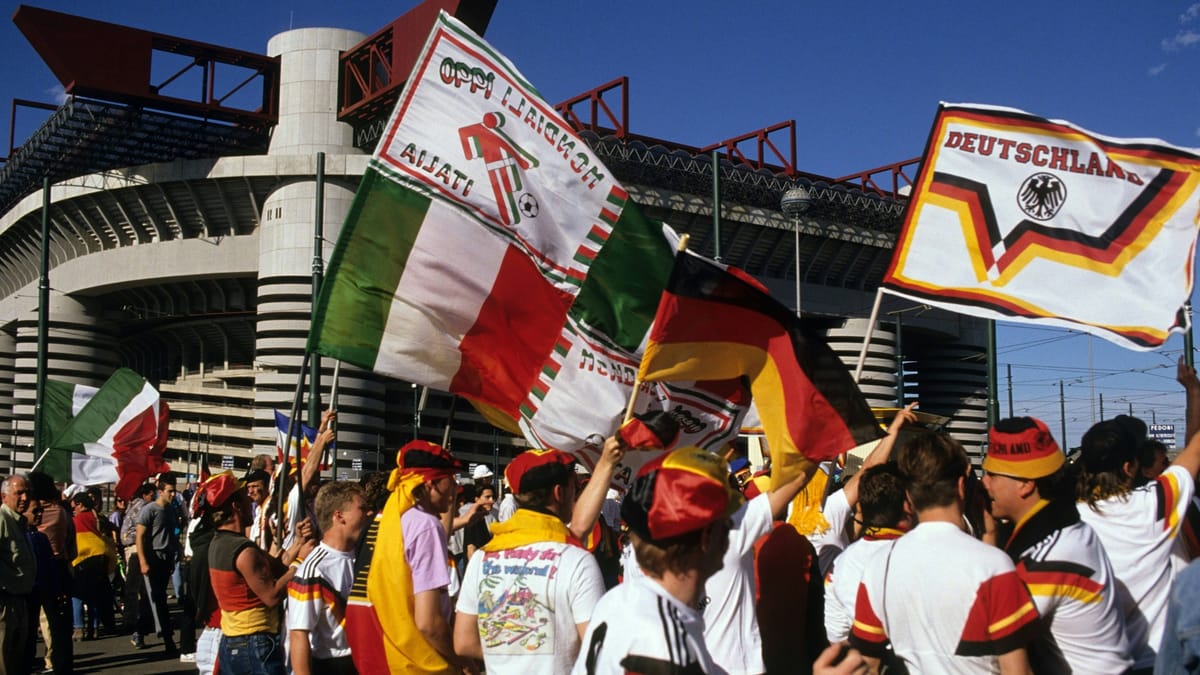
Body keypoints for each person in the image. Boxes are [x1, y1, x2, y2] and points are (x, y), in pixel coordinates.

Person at [850, 431, 1039, 674]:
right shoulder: (994, 565)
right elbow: (1017, 671)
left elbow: (868, 663)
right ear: (961, 486)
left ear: (908, 497)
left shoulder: (878, 565)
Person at [1075, 359, 1200, 670]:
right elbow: (1196, 447)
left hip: (1103, 663)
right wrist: (1194, 391)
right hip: (1159, 659)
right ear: (1130, 467)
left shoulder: (1071, 518)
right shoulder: (1156, 503)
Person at [983, 416, 1132, 673]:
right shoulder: (1065, 529)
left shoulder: (1048, 557)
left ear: (1025, 484)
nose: (984, 483)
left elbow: (986, 634)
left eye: (992, 475)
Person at [572, 446, 736, 675]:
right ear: (707, 538)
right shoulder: (665, 643)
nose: (731, 530)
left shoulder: (618, 600)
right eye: (726, 523)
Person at [454, 448, 606, 674]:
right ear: (559, 492)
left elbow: (464, 643)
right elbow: (598, 651)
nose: (576, 497)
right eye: (574, 489)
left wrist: (511, 656)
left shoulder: (482, 558)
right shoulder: (576, 560)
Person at [207, 471, 314, 675]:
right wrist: (301, 563)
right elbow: (272, 595)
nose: (251, 502)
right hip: (253, 641)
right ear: (236, 507)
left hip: (234, 640)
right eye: (245, 499)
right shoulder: (243, 550)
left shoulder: (220, 542)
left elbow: (273, 567)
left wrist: (298, 543)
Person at [288, 481, 371, 675]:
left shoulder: (365, 556)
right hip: (334, 666)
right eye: (362, 508)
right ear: (339, 516)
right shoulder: (314, 569)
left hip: (365, 660)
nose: (369, 513)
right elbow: (299, 634)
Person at [824, 463, 911, 644]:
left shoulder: (840, 565)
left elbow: (836, 638)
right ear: (908, 505)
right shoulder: (927, 555)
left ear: (860, 508)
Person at [28, 471, 73, 673]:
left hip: (32, 567)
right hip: (58, 565)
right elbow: (71, 541)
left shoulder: (27, 513)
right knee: (58, 621)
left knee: (28, 620)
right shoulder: (60, 512)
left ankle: (26, 660)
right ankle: (61, 663)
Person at [136, 472, 180, 655]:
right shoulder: (150, 510)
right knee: (158, 600)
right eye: (169, 491)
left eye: (174, 491)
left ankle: (139, 631)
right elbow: (140, 537)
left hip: (165, 559)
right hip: (152, 557)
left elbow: (171, 536)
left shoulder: (170, 510)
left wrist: (174, 556)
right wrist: (143, 561)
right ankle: (167, 639)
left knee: (153, 599)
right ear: (160, 491)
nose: (172, 495)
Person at [0, 476, 35, 675]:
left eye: (27, 492)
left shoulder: (18, 522)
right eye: (18, 493)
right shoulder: (2, 519)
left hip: (20, 601)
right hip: (5, 603)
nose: (24, 497)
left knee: (16, 662)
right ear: (4, 496)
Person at [69, 492, 116, 641]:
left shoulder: (77, 520)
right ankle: (93, 628)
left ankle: (78, 628)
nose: (73, 510)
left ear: (81, 505)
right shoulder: (97, 517)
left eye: (74, 506)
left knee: (77, 595)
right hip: (101, 557)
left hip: (84, 558)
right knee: (93, 595)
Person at [121, 482, 155, 649]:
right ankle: (133, 619)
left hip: (134, 547)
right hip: (133, 547)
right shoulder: (137, 505)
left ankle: (133, 620)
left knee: (135, 588)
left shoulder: (138, 505)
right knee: (135, 588)